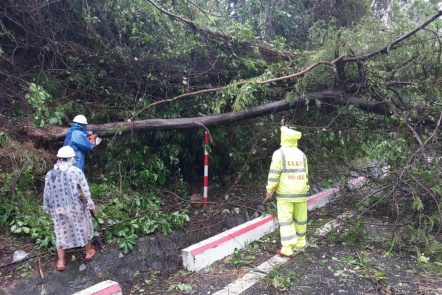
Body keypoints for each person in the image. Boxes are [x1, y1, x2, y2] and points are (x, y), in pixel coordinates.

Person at [43, 146, 96, 271]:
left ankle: (61, 261)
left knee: (60, 231)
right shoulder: (76, 172)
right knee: (83, 227)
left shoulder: (50, 174)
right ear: (70, 159)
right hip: (75, 206)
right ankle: (88, 252)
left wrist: (47, 206)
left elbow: (47, 193)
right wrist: (88, 203)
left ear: (59, 159)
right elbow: (83, 190)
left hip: (58, 208)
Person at [264, 126, 310, 258]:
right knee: (301, 218)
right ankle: (301, 242)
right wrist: (305, 188)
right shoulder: (302, 154)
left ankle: (287, 248)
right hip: (301, 192)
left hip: (285, 193)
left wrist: (270, 190)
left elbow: (274, 173)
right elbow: (306, 174)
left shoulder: (279, 153)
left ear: (283, 137)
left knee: (286, 220)